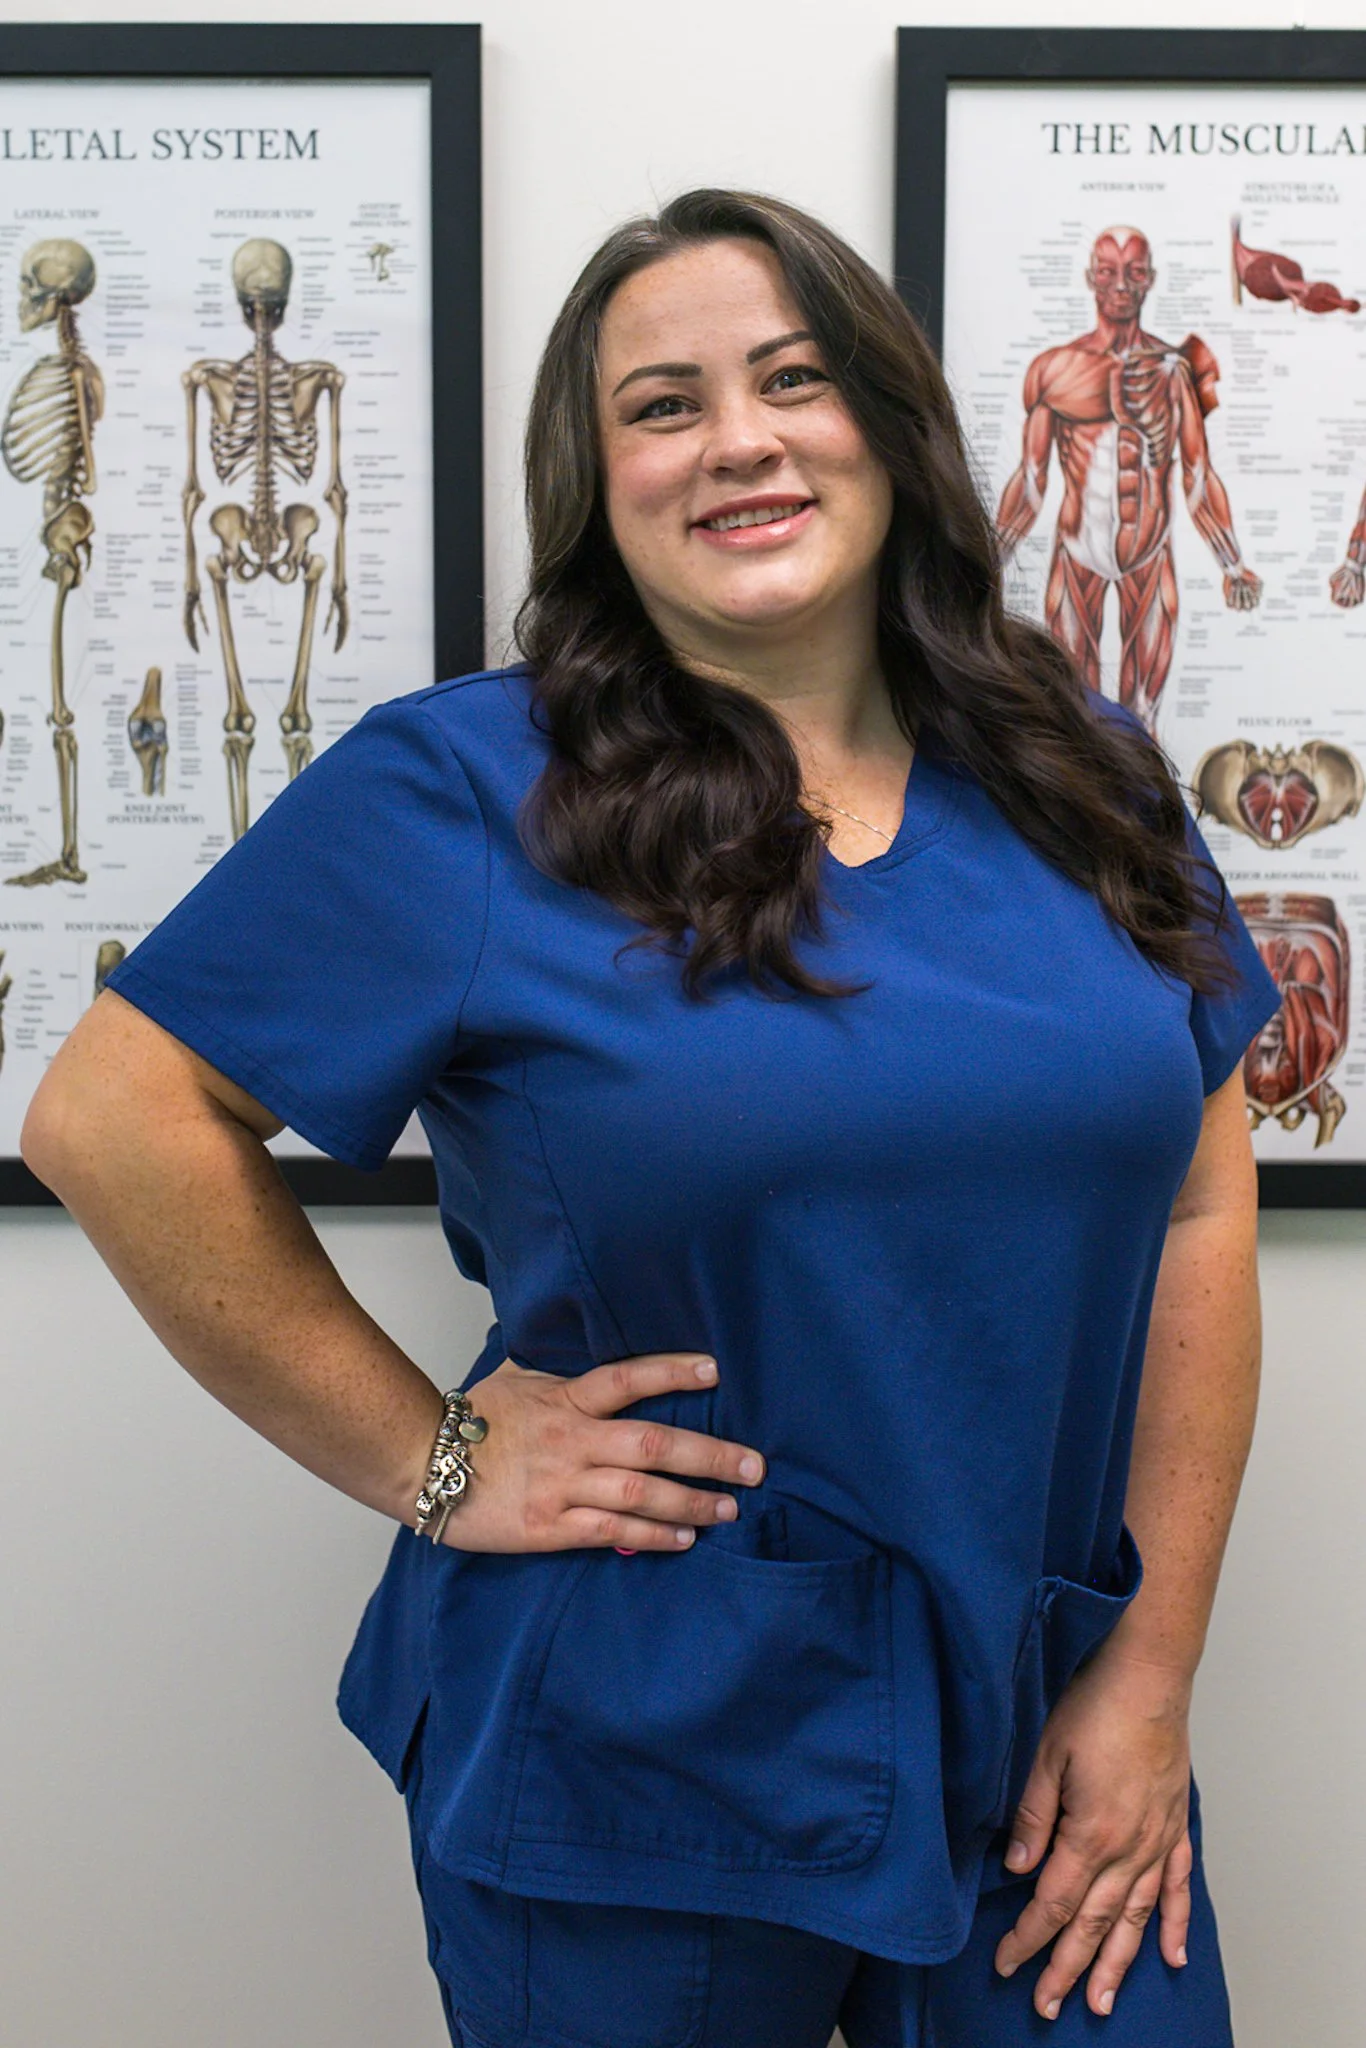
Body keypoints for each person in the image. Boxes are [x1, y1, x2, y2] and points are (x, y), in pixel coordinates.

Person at [23, 190, 1280, 2048]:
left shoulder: (1082, 779)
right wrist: (428, 1459)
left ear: (892, 424)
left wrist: (1151, 1670)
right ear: (596, 477)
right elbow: (113, 1118)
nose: (740, 440)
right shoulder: (459, 790)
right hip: (639, 1735)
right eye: (663, 404)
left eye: (793, 379)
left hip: (1049, 1738)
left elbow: (1195, 1212)